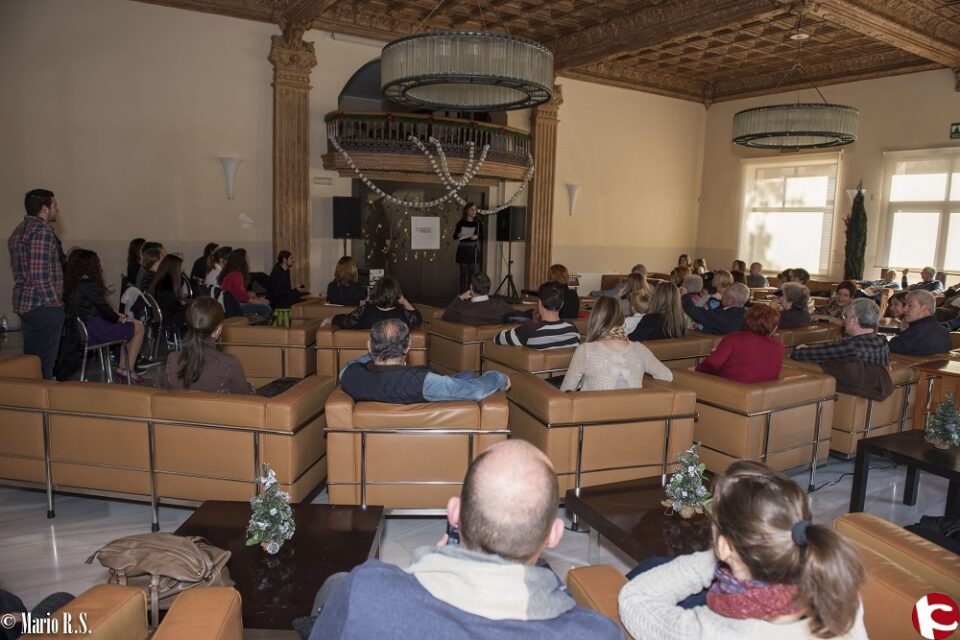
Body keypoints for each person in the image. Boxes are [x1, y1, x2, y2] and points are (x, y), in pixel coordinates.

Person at [306, 439, 622, 640]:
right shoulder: (596, 633)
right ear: (554, 534)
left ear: (455, 513)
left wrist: (428, 569)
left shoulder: (366, 592)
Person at [618, 460, 866, 640]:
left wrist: (721, 557)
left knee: (651, 569)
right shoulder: (841, 595)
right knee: (657, 563)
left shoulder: (707, 631)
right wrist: (734, 553)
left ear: (724, 546)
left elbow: (634, 598)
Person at [340, 319, 508, 403]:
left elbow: (352, 365)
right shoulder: (423, 382)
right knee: (468, 375)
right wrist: (500, 377)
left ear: (369, 346)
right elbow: (476, 391)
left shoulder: (350, 376)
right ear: (408, 347)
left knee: (466, 374)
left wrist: (376, 355)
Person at [8, 189, 65, 379]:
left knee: (31, 362)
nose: (57, 209)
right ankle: (43, 397)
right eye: (54, 205)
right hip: (42, 306)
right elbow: (39, 275)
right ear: (44, 209)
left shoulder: (18, 230)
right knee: (44, 364)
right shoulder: (41, 231)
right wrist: (55, 303)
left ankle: (30, 395)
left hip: (26, 304)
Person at [64, 249, 146, 382]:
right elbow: (107, 313)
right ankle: (128, 370)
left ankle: (123, 369)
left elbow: (100, 310)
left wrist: (123, 318)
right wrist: (125, 318)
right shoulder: (89, 284)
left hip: (82, 330)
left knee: (130, 326)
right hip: (95, 331)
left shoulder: (72, 284)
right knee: (139, 327)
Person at [561, 297, 672, 392]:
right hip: (632, 410)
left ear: (594, 320)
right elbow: (667, 376)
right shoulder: (640, 350)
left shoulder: (586, 350)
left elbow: (566, 390)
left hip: (593, 410)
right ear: (622, 319)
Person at [791, 299, 892, 399]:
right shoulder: (882, 342)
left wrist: (802, 350)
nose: (844, 320)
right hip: (870, 396)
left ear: (854, 320)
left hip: (844, 396)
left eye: (846, 316)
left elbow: (801, 355)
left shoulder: (851, 346)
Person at [164, 297, 254, 394]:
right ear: (219, 329)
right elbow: (245, 399)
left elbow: (166, 396)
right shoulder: (229, 363)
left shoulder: (173, 359)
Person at [695, 304, 782, 383]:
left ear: (747, 320)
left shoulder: (734, 339)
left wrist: (696, 371)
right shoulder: (779, 345)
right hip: (764, 392)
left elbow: (712, 363)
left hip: (732, 389)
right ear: (774, 327)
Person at [493, 282, 580, 350]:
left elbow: (497, 338)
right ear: (561, 305)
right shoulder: (573, 329)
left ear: (539, 303)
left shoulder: (529, 330)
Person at [326, 276, 421, 330]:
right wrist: (404, 301)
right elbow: (418, 318)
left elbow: (347, 320)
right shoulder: (404, 315)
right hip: (396, 355)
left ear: (376, 292)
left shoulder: (365, 311)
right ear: (397, 294)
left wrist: (331, 319)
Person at [888, 290, 951, 356]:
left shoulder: (916, 332)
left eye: (910, 305)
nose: (904, 309)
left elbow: (887, 348)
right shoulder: (944, 331)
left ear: (925, 309)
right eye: (905, 305)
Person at [442, 272, 515, 325]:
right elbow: (515, 315)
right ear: (488, 287)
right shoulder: (500, 304)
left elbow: (446, 315)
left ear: (471, 287)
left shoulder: (464, 309)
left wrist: (461, 297)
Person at [219, 248, 271, 321]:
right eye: (247, 257)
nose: (248, 260)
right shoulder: (236, 275)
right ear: (242, 260)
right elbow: (243, 298)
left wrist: (257, 299)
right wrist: (261, 302)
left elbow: (241, 295)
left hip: (231, 305)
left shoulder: (232, 273)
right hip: (233, 307)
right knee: (266, 308)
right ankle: (256, 326)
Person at [682, 282, 749, 335]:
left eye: (724, 293)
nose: (722, 295)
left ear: (730, 300)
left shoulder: (723, 316)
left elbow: (693, 311)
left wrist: (684, 295)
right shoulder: (748, 316)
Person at [147, 254, 189, 332]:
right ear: (175, 268)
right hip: (169, 321)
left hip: (164, 318)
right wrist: (182, 304)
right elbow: (170, 306)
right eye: (181, 265)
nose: (184, 267)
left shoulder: (160, 279)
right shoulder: (167, 285)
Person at [454, 202, 482, 293]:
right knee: (463, 273)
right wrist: (458, 234)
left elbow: (482, 236)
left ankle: (471, 294)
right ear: (466, 210)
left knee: (472, 275)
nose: (474, 211)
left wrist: (477, 236)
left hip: (473, 250)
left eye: (475, 209)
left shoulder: (478, 222)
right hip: (463, 249)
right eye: (471, 209)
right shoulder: (461, 223)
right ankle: (463, 294)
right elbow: (454, 236)